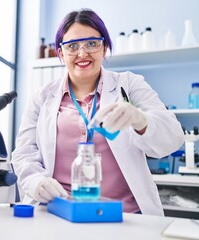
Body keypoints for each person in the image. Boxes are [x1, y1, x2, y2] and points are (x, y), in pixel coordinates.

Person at [11, 8, 184, 216]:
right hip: (60, 214)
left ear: (104, 48)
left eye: (92, 43)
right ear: (61, 53)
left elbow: (173, 138)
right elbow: (23, 153)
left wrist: (141, 121)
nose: (82, 53)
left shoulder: (130, 84)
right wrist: (36, 181)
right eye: (72, 46)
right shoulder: (42, 97)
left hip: (126, 217)